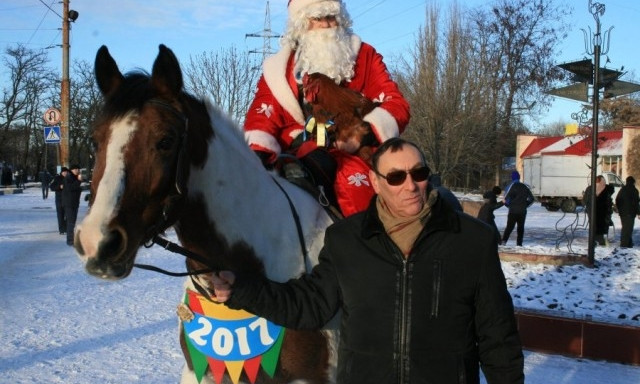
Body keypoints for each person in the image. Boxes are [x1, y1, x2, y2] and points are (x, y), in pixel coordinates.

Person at [211, 138, 524, 384]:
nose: (410, 185)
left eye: (419, 173)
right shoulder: (347, 240)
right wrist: (242, 290)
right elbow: (309, 304)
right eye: (396, 176)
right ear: (375, 183)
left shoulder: (472, 241)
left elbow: (498, 336)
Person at [243, 0, 410, 217]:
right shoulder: (278, 69)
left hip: (354, 153)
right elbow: (263, 114)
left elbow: (396, 103)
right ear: (301, 24)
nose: (325, 25)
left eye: (331, 17)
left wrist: (363, 134)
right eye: (317, 18)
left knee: (357, 190)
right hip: (295, 151)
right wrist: (257, 152)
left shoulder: (365, 56)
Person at [501, 171, 534, 246]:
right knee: (520, 228)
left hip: (513, 211)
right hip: (522, 211)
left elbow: (506, 199)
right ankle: (519, 244)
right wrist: (525, 205)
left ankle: (504, 241)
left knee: (509, 227)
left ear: (512, 178)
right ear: (519, 177)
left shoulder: (511, 186)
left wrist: (509, 206)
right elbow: (532, 199)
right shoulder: (525, 186)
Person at [584, 175, 614, 246]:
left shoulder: (590, 188)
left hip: (593, 212)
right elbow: (610, 193)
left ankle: (594, 241)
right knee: (601, 226)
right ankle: (600, 241)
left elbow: (585, 200)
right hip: (602, 212)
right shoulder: (606, 188)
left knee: (594, 226)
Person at [615, 176, 639, 248]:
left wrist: (620, 209)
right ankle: (624, 245)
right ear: (633, 182)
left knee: (625, 228)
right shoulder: (634, 190)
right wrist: (638, 212)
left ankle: (628, 243)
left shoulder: (623, 189)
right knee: (628, 229)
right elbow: (636, 203)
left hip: (623, 213)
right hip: (630, 213)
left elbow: (617, 199)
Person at [62, 164, 82, 246]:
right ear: (72, 170)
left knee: (72, 222)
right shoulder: (68, 177)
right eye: (76, 169)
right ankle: (70, 240)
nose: (77, 171)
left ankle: (71, 239)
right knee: (70, 222)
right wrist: (79, 181)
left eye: (78, 169)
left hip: (74, 203)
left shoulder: (73, 177)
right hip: (69, 204)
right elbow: (71, 188)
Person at [49, 167, 68, 235]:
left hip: (68, 200)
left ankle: (65, 228)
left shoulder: (70, 178)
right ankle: (61, 229)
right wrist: (59, 187)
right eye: (64, 172)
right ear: (61, 172)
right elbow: (51, 187)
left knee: (68, 215)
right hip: (59, 200)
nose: (65, 173)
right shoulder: (57, 178)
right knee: (60, 215)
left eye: (66, 172)